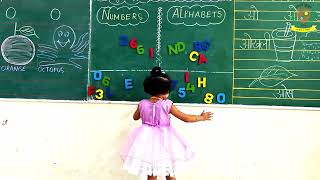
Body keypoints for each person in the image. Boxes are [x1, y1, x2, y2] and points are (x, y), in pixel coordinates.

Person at [120, 66, 213, 180]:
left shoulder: (142, 103)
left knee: (152, 171)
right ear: (165, 91)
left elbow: (135, 117)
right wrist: (201, 117)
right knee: (169, 171)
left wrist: (142, 110)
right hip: (166, 141)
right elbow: (186, 118)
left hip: (146, 141)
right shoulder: (167, 104)